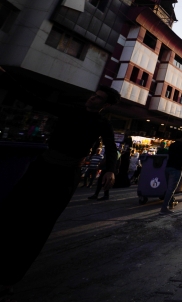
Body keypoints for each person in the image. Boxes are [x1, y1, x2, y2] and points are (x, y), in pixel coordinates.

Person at [0, 86, 120, 296]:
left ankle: (9, 279)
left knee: (40, 227)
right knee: (11, 213)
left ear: (106, 104)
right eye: (93, 95)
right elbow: (36, 100)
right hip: (41, 168)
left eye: (98, 98)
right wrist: (7, 79)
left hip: (65, 177)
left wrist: (110, 170)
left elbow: (111, 148)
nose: (92, 98)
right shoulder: (71, 110)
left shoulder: (102, 123)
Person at [160, 137, 182, 214]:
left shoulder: (172, 145)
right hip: (177, 168)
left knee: (169, 188)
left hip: (168, 168)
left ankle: (171, 202)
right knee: (171, 189)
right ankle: (164, 208)